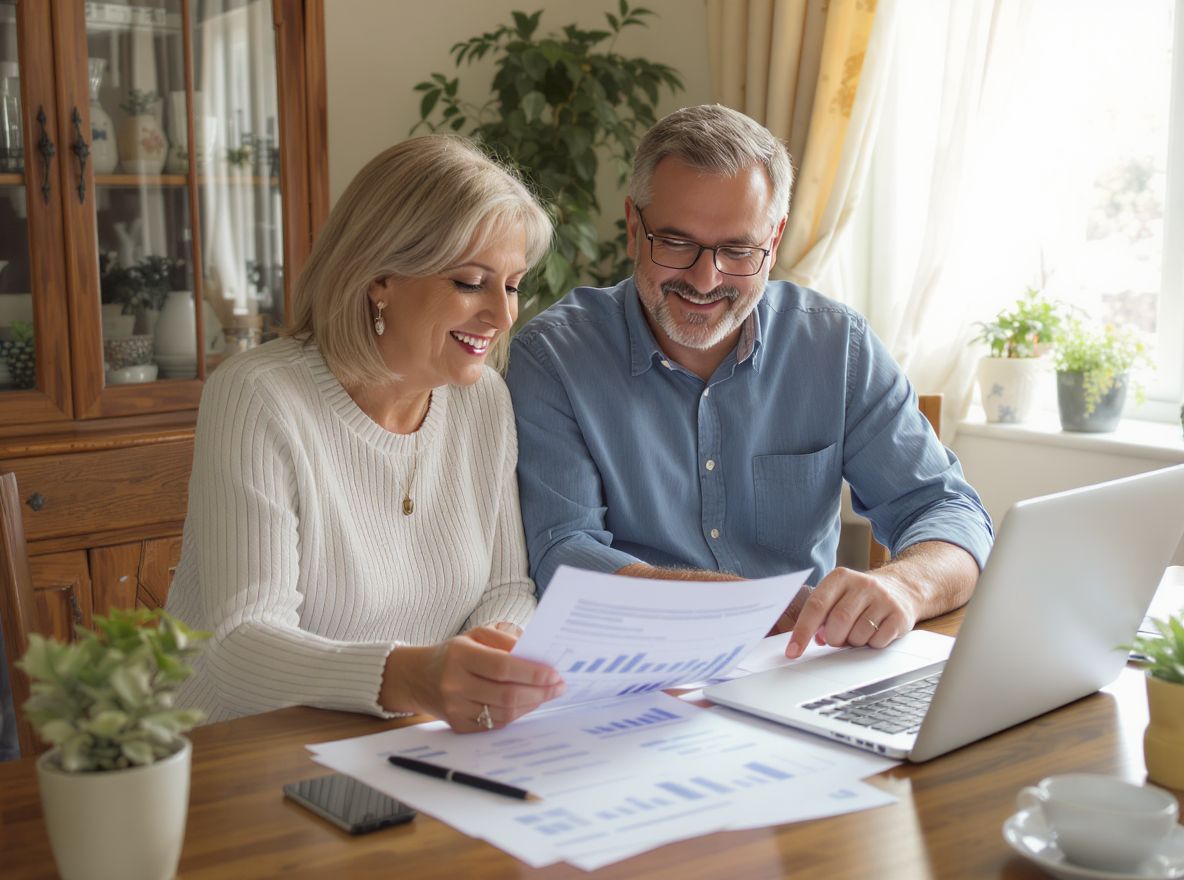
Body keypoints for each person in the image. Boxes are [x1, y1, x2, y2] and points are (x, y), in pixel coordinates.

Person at [506, 105, 994, 660]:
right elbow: (562, 555)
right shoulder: (554, 358)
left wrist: (905, 585)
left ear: (775, 238)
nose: (704, 279)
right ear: (634, 227)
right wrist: (735, 606)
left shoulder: (837, 347)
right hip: (632, 669)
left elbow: (948, 509)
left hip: (798, 667)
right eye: (676, 243)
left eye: (738, 251)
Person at [165, 136, 565, 732]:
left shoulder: (483, 400)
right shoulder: (259, 395)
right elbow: (240, 645)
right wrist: (415, 676)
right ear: (380, 276)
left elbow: (507, 587)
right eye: (469, 282)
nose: (504, 316)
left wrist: (491, 653)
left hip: (405, 741)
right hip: (237, 750)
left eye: (511, 285)